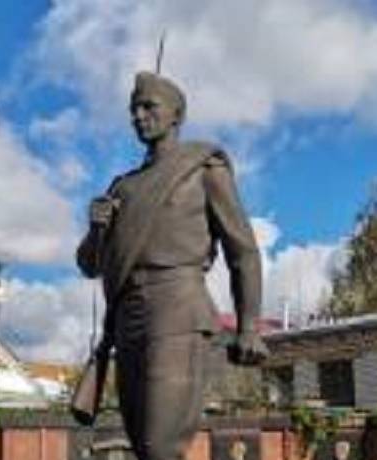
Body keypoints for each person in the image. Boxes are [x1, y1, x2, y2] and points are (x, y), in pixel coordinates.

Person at [76, 71, 268, 460]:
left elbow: (243, 250)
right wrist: (96, 229)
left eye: (149, 107)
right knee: (143, 445)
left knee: (160, 446)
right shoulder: (122, 188)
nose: (138, 116)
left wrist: (249, 326)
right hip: (127, 320)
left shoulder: (203, 168)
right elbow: (90, 265)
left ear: (176, 115)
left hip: (177, 310)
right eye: (133, 109)